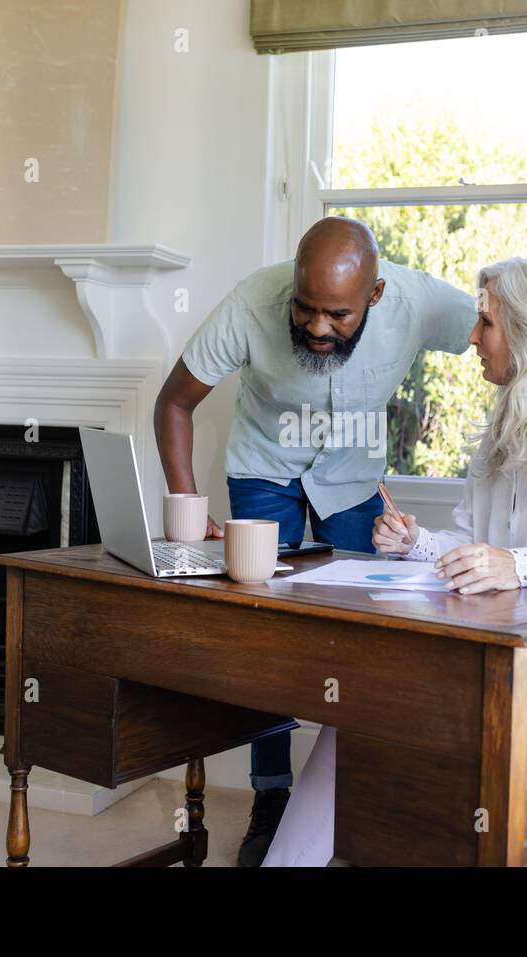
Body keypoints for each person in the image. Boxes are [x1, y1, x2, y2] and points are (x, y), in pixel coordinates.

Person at [260, 254, 527, 866]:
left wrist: (519, 564)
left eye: (486, 323)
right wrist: (418, 544)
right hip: (493, 662)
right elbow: (470, 543)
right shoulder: (504, 426)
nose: (472, 338)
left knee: (385, 713)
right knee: (357, 707)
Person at [152, 217, 475, 866]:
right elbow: (174, 403)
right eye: (306, 308)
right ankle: (271, 798)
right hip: (263, 471)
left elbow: (499, 328)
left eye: (338, 314)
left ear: (376, 296)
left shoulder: (418, 303)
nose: (318, 327)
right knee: (265, 637)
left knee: (370, 640)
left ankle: (356, 800)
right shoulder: (252, 302)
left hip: (354, 482)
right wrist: (188, 505)